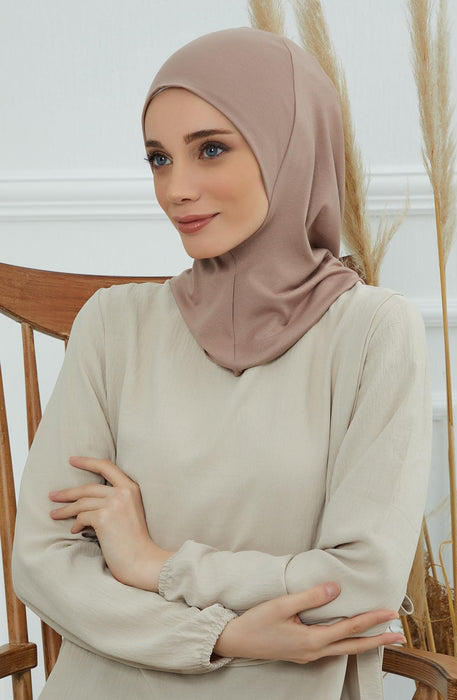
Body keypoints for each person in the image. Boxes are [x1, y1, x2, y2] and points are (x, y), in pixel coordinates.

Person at [12, 26, 432, 699]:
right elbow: (43, 562)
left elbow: (360, 585)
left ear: (289, 147)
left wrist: (157, 565)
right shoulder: (114, 325)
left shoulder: (373, 331)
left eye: (210, 149)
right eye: (158, 159)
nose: (176, 188)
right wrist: (220, 636)